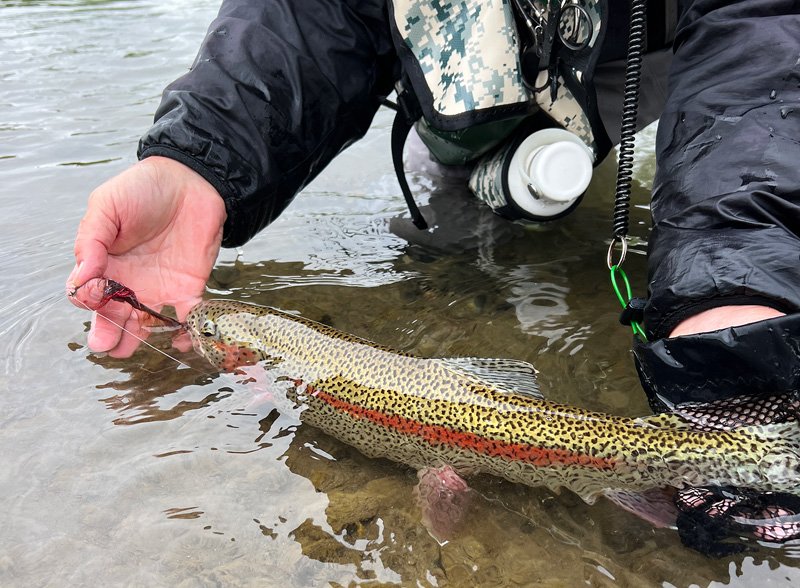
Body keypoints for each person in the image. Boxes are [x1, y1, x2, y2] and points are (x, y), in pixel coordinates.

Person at [68, 0, 800, 553]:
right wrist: (197, 160)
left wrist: (734, 282)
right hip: (465, 56)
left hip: (653, 37)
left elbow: (763, 33)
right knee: (462, 209)